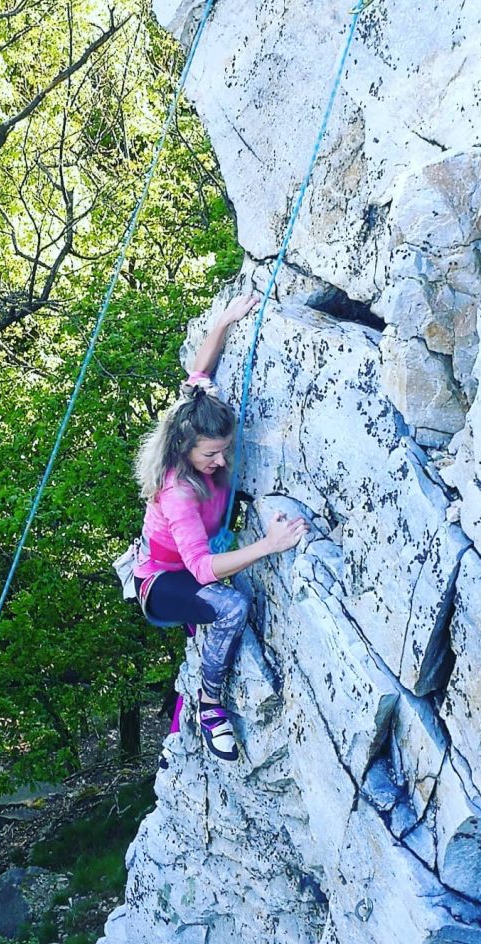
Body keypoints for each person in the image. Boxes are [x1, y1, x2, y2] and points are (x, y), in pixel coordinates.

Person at [132, 294, 308, 761]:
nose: (221, 461)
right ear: (184, 449)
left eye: (225, 450)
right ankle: (210, 705)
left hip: (192, 565)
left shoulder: (198, 414)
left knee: (216, 605)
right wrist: (269, 546)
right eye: (211, 454)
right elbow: (205, 569)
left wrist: (225, 321)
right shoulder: (178, 493)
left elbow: (199, 375)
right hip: (163, 580)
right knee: (232, 605)